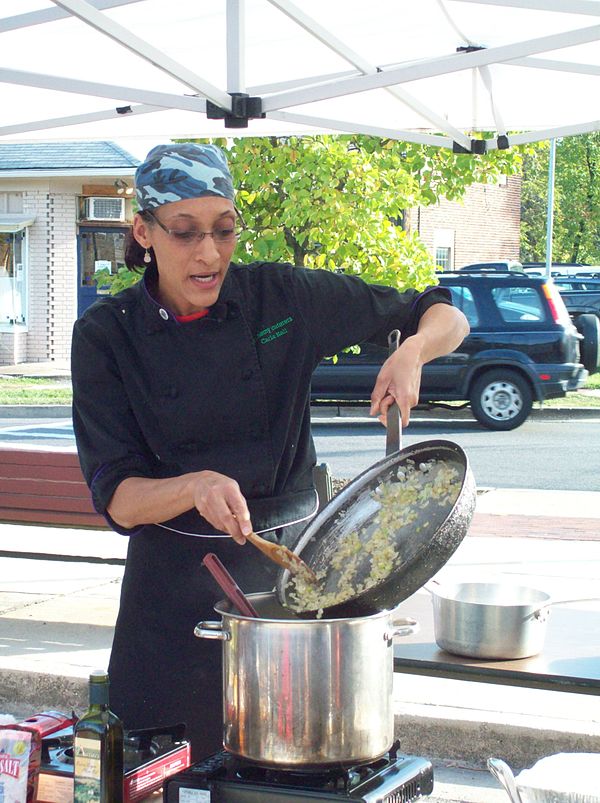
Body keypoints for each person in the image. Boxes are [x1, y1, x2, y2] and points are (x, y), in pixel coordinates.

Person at [71, 142, 469, 760]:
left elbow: (441, 311)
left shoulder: (279, 299)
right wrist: (194, 486)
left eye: (224, 230)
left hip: (291, 594)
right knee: (158, 781)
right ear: (144, 232)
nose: (209, 253)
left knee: (287, 776)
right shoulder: (106, 335)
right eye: (185, 234)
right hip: (167, 603)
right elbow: (119, 498)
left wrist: (413, 350)